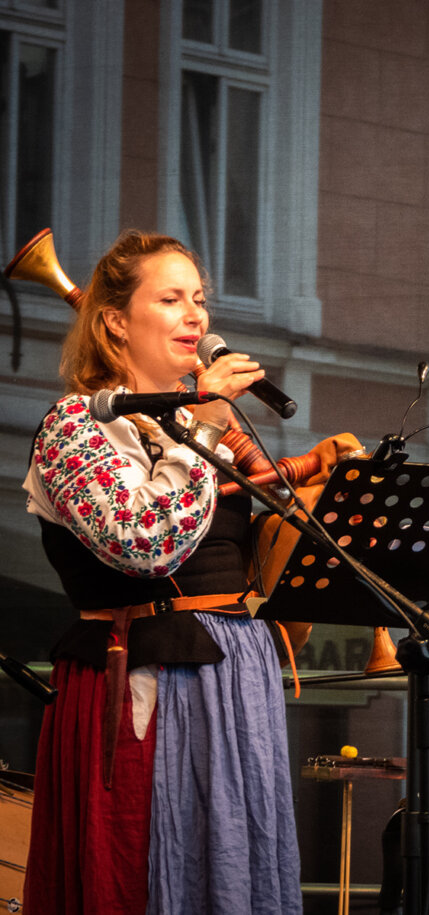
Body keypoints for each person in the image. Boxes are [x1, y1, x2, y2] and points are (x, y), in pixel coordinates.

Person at [21, 230, 302, 913]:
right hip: (142, 679)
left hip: (233, 677)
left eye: (199, 300)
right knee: (139, 873)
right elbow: (143, 541)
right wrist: (201, 428)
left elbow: (255, 553)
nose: (195, 316)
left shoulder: (207, 426)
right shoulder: (75, 426)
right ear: (115, 319)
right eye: (171, 298)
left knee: (235, 875)